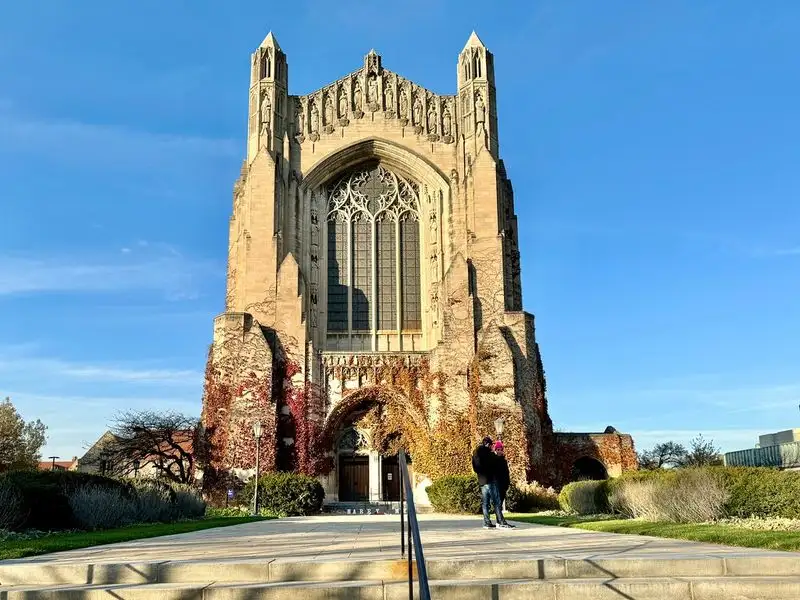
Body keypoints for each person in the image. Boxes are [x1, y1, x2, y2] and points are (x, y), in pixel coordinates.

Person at [471, 436, 511, 529]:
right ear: (488, 444)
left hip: (481, 481)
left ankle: (487, 522)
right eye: (491, 445)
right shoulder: (488, 454)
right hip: (490, 480)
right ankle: (501, 522)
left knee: (485, 503)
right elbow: (494, 464)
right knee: (496, 502)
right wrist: (498, 456)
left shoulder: (475, 454)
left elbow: (475, 468)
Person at [494, 441, 511, 509]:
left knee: (501, 500)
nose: (499, 451)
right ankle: (499, 517)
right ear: (495, 450)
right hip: (496, 483)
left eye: (501, 450)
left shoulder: (504, 461)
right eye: (498, 450)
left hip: (503, 483)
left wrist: (507, 482)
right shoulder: (493, 460)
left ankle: (499, 515)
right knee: (498, 501)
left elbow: (506, 472)